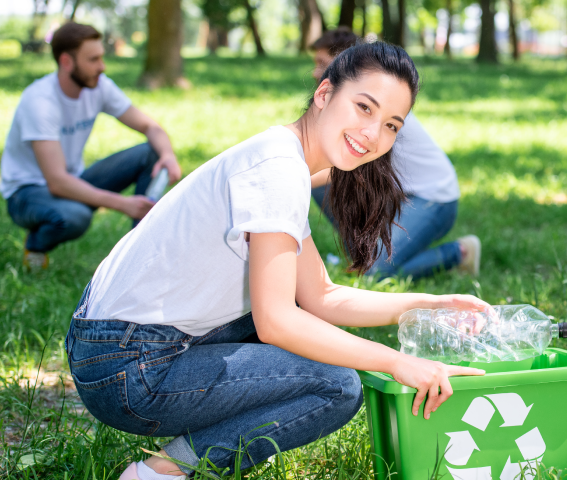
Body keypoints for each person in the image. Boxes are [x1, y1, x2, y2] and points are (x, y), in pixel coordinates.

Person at [65, 42, 488, 480]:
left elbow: (321, 296)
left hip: (109, 348)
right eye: (364, 107)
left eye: (391, 125)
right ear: (324, 94)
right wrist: (396, 361)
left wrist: (430, 304)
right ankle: (159, 474)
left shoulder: (282, 157)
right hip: (128, 368)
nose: (373, 133)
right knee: (336, 385)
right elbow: (277, 322)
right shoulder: (278, 169)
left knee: (312, 331)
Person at [1, 22, 181, 271]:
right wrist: (122, 203)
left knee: (151, 152)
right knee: (76, 217)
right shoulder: (40, 102)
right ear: (66, 62)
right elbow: (56, 181)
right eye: (93, 59)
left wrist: (168, 155)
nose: (102, 66)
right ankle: (36, 244)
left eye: (101, 58)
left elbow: (150, 127)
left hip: (71, 179)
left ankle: (136, 260)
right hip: (27, 193)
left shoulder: (99, 86)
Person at [310, 28, 481, 280]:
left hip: (432, 199)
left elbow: (328, 169)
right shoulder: (342, 101)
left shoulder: (380, 106)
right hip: (393, 192)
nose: (315, 71)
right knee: (320, 185)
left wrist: (280, 181)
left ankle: (460, 252)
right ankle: (363, 254)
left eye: (322, 64)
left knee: (373, 273)